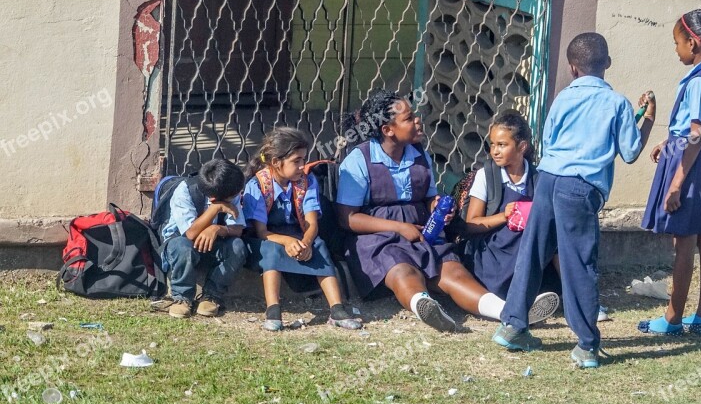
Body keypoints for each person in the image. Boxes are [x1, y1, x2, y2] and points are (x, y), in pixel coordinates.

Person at [492, 33, 655, 369]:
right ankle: (586, 345)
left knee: (533, 252)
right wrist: (648, 119)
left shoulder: (563, 98)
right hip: (579, 188)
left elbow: (550, 141)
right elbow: (631, 151)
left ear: (571, 68)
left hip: (549, 180)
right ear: (607, 63)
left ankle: (512, 326)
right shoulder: (618, 104)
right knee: (579, 263)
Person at [336, 90, 557, 332]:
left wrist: (439, 207)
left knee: (453, 271)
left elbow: (429, 195)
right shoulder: (359, 160)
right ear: (388, 130)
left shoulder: (418, 154)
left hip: (423, 231)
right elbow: (348, 219)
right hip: (376, 238)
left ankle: (508, 312)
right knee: (403, 271)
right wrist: (398, 227)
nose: (417, 120)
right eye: (408, 118)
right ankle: (423, 304)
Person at [639, 8, 701, 337]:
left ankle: (673, 318)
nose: (676, 49)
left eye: (677, 43)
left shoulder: (697, 82)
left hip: (691, 165)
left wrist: (676, 184)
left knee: (685, 242)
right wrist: (670, 140)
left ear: (693, 44)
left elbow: (696, 133)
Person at [243, 128, 361, 331]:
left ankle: (337, 309)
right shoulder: (258, 185)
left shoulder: (307, 182)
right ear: (276, 162)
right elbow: (261, 231)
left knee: (319, 246)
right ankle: (273, 310)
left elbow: (312, 223)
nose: (302, 166)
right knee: (271, 252)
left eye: (303, 160)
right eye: (296, 161)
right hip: (267, 239)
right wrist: (288, 242)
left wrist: (306, 243)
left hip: (298, 236)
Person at [460, 110, 558, 320]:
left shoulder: (538, 179)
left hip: (526, 248)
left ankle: (560, 294)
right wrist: (504, 216)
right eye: (493, 144)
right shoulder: (486, 175)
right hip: (493, 252)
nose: (495, 151)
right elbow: (471, 224)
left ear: (522, 147)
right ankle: (515, 302)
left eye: (502, 145)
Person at [161, 159, 248, 319]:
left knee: (238, 246)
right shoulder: (185, 191)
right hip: (181, 244)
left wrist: (218, 228)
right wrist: (215, 209)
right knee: (183, 247)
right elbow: (190, 234)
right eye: (234, 197)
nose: (237, 197)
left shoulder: (230, 191)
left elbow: (238, 229)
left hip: (213, 245)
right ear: (215, 199)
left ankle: (212, 295)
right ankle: (182, 297)